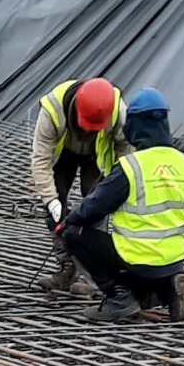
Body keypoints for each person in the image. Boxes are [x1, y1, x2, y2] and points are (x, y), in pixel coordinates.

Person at [61, 87, 184, 324]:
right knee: (154, 269)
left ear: (135, 125)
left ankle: (119, 298)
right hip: (173, 260)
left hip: (134, 261)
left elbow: (92, 210)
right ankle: (168, 289)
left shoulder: (131, 167)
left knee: (74, 234)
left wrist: (68, 220)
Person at [31, 77, 127, 293]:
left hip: (96, 157)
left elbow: (126, 149)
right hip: (63, 154)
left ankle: (95, 276)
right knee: (54, 211)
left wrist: (115, 186)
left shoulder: (117, 111)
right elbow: (40, 159)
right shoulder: (53, 109)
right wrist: (50, 199)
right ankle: (66, 268)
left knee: (96, 210)